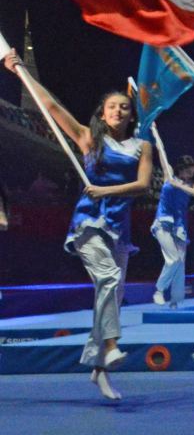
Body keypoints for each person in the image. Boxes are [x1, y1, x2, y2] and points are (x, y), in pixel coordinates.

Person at [2, 58, 152, 401]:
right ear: (102, 113)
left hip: (119, 227)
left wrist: (105, 191)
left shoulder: (142, 147)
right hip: (88, 223)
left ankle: (98, 370)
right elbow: (52, 107)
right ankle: (111, 346)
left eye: (124, 107)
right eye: (112, 106)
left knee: (111, 294)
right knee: (109, 278)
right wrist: (20, 72)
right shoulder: (88, 139)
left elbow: (143, 185)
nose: (118, 111)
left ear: (131, 115)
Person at [150, 151, 194, 309]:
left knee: (180, 264)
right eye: (188, 171)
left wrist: (179, 185)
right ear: (180, 168)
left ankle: (175, 300)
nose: (190, 174)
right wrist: (156, 138)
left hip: (180, 226)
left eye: (192, 172)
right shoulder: (169, 176)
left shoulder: (192, 185)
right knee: (173, 259)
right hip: (163, 222)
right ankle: (159, 290)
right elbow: (162, 155)